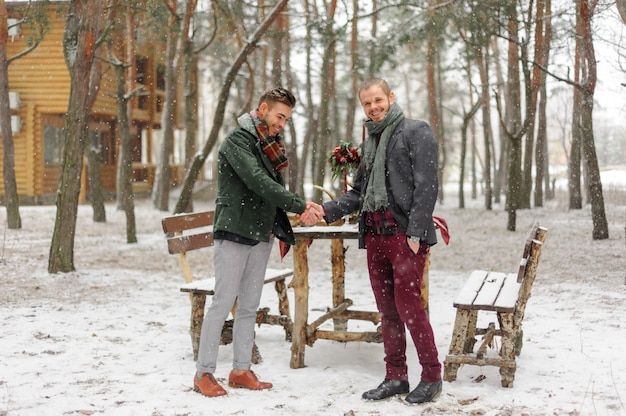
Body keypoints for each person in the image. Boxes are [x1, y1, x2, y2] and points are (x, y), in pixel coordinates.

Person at [301, 78, 442, 404]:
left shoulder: (415, 131)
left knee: (410, 308)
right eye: (367, 103)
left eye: (378, 100)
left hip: (404, 237)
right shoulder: (370, 142)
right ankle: (396, 377)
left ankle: (432, 375)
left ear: (391, 97)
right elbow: (359, 194)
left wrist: (416, 234)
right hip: (375, 237)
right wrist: (324, 209)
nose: (374, 107)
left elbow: (427, 187)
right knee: (387, 311)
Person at [193, 87, 321, 397]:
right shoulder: (239, 141)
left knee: (249, 305)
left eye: (287, 120)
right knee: (223, 302)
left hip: (261, 233)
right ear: (263, 109)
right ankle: (203, 374)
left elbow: (270, 188)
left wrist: (293, 210)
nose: (282, 124)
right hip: (235, 230)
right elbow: (258, 182)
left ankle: (240, 369)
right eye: (279, 116)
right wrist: (300, 205)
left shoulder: (269, 144)